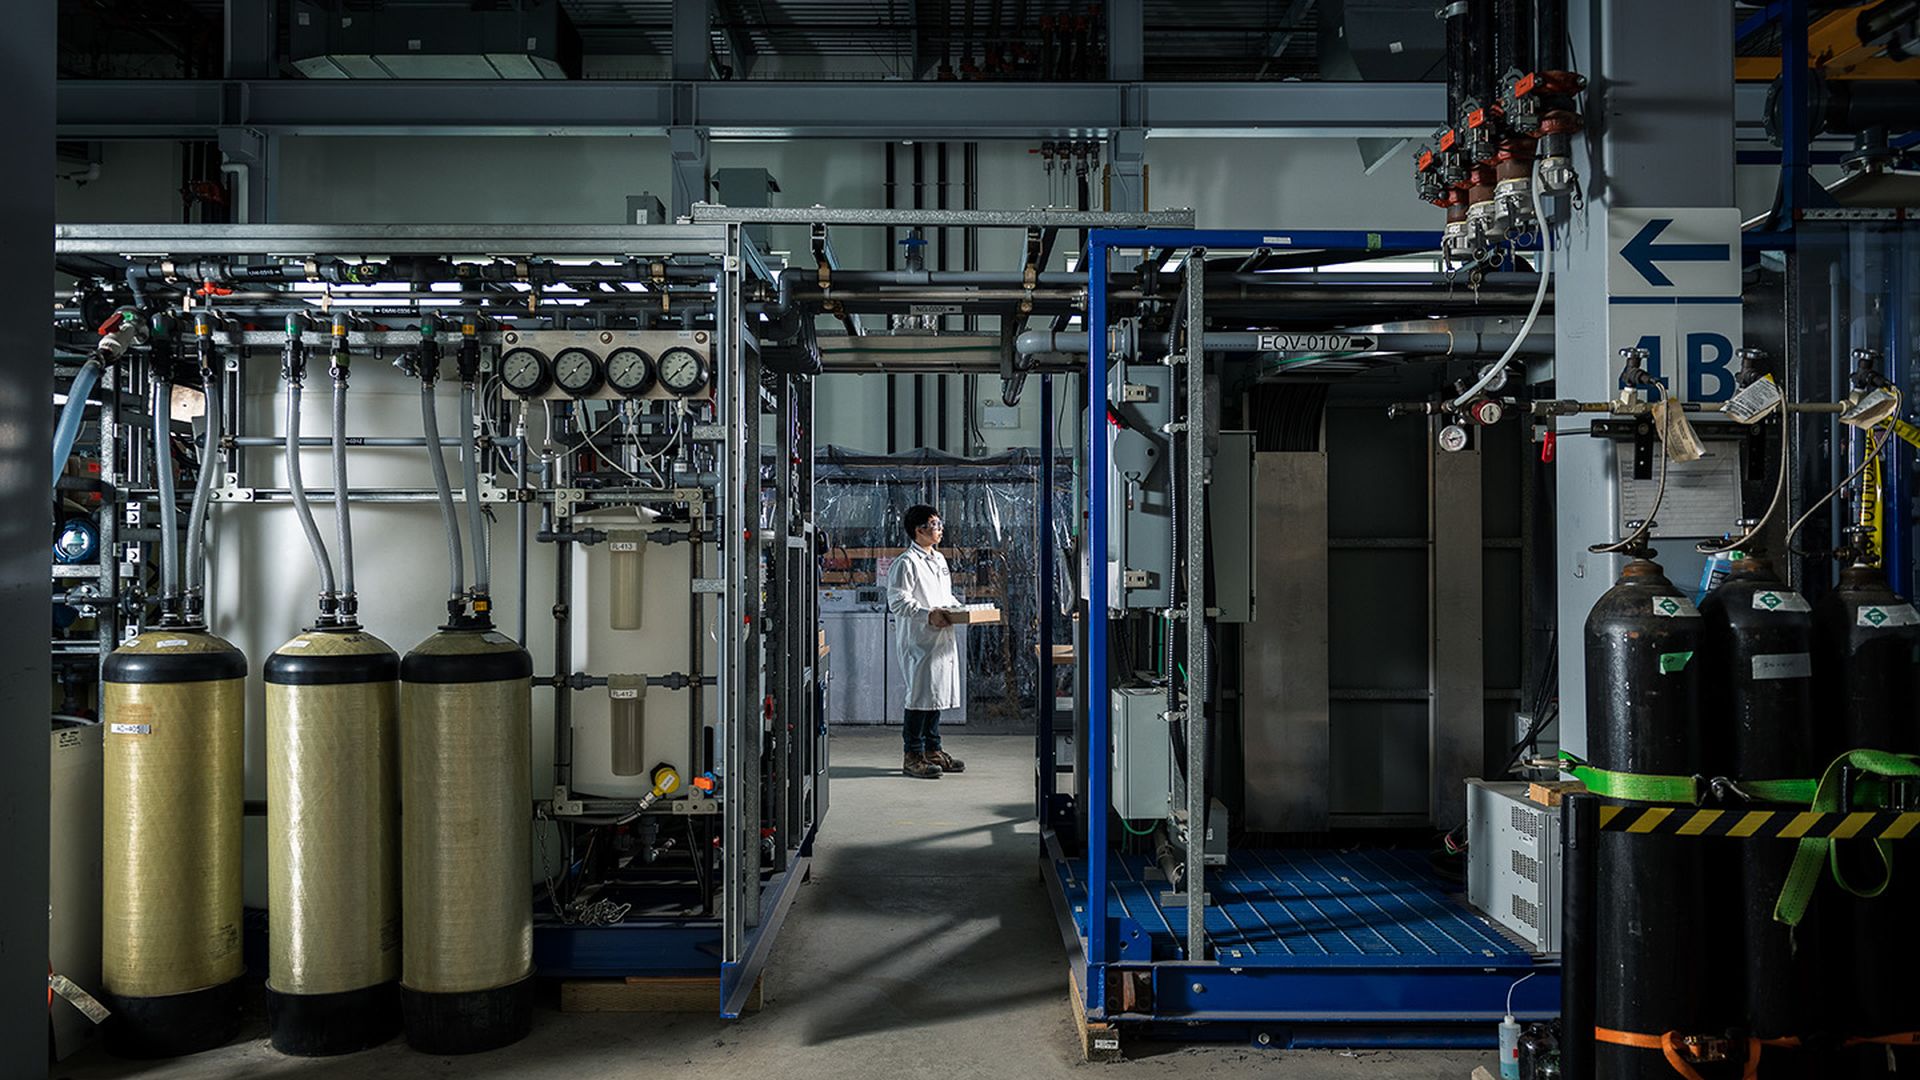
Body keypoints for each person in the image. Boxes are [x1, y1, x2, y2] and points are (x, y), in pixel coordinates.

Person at [884, 504, 967, 780]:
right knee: (920, 697)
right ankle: (913, 755)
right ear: (919, 530)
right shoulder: (905, 563)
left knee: (935, 696)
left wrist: (962, 610)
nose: (939, 529)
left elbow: (946, 596)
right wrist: (927, 615)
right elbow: (898, 602)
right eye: (934, 524)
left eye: (939, 524)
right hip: (919, 639)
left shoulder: (939, 560)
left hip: (941, 637)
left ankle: (933, 750)